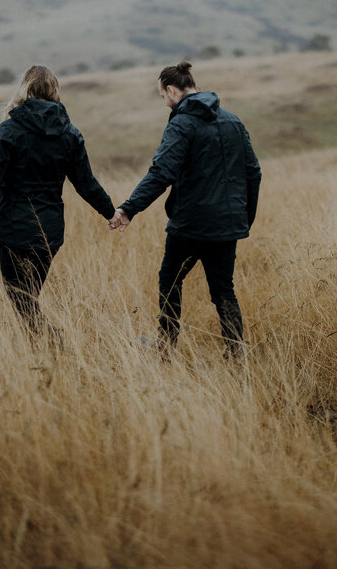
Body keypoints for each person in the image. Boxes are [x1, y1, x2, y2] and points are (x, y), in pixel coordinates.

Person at [110, 61, 261, 358]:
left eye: (163, 96)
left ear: (172, 90)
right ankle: (235, 352)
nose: (165, 102)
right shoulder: (233, 121)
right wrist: (243, 219)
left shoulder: (181, 123)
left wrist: (128, 209)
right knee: (223, 289)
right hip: (227, 224)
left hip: (190, 224)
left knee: (170, 280)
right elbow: (253, 172)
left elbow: (161, 172)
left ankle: (166, 347)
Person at [0, 65, 114, 340]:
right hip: (49, 234)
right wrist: (110, 212)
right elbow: (86, 183)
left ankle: (55, 342)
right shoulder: (70, 134)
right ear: (55, 92)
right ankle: (41, 354)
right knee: (28, 298)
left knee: (21, 299)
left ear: (25, 90)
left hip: (15, 231)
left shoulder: (9, 131)